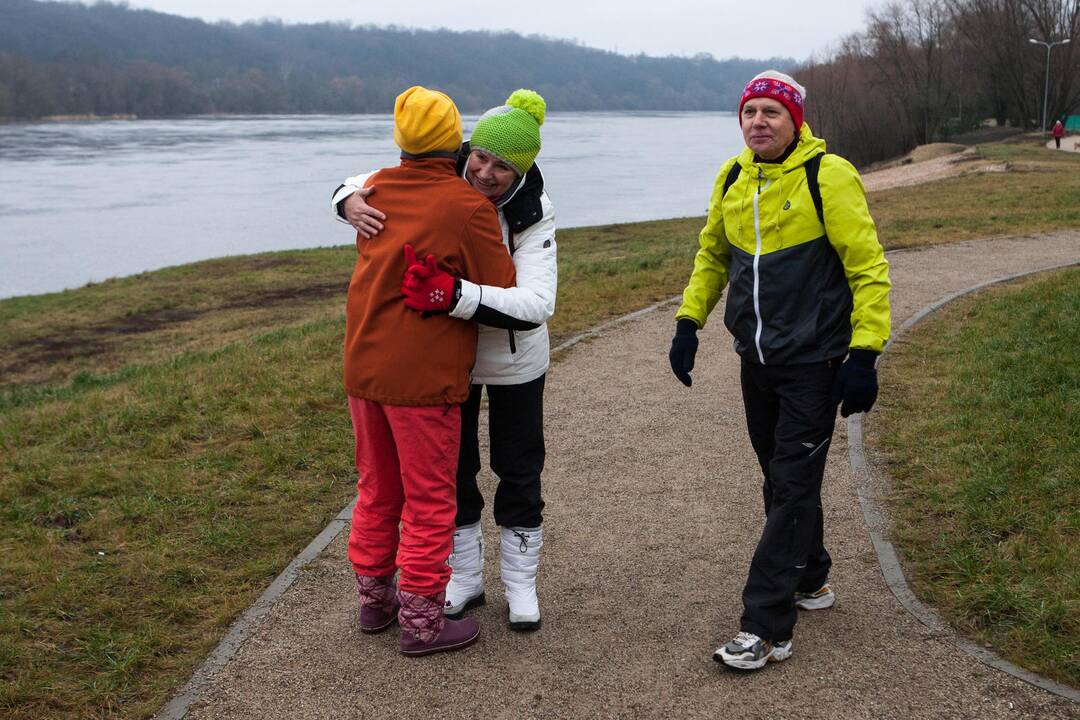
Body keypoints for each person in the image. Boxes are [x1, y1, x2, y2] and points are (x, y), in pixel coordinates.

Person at [668, 70, 892, 671]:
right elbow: (713, 254)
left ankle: (766, 626)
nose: (758, 122)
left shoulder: (829, 176)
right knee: (780, 477)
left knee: (791, 485)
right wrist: (689, 323)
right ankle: (812, 577)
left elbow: (867, 267)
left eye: (771, 112)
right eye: (749, 113)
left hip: (815, 364)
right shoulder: (734, 176)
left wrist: (865, 354)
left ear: (795, 120)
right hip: (756, 362)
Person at [333, 89, 557, 632]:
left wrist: (452, 294)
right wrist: (344, 201)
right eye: (480, 156)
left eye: (503, 166)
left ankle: (521, 586)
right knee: (451, 480)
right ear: (465, 147)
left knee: (519, 471)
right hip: (445, 366)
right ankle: (463, 580)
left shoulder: (534, 212)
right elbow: (365, 181)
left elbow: (535, 304)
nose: (485, 171)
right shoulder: (446, 176)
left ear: (522, 170)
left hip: (511, 362)